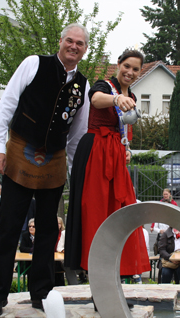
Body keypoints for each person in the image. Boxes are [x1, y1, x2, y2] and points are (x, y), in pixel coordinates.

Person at [0, 23, 91, 318]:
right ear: (60, 41)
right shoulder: (34, 63)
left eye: (79, 43)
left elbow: (77, 135)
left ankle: (41, 294)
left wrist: (74, 171)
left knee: (47, 230)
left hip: (54, 162)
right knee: (8, 228)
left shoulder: (82, 85)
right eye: (69, 40)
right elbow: (7, 103)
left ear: (85, 49)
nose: (73, 46)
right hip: (19, 152)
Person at [64, 48, 150, 283]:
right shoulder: (105, 87)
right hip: (96, 155)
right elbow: (95, 99)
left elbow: (123, 132)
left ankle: (117, 281)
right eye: (127, 66)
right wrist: (116, 98)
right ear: (118, 64)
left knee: (122, 213)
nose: (130, 72)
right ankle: (96, 280)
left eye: (135, 69)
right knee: (96, 213)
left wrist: (126, 150)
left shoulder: (131, 94)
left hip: (116, 158)